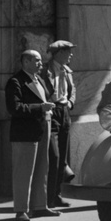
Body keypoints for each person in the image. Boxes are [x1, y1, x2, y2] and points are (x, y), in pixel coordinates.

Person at [5, 50, 59, 221]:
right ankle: (21, 209)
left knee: (42, 168)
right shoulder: (16, 81)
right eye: (36, 60)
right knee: (23, 172)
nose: (40, 63)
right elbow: (15, 108)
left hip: (43, 127)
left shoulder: (40, 79)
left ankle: (40, 206)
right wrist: (40, 107)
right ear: (26, 62)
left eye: (40, 60)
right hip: (25, 132)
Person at [45, 40, 76, 208]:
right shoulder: (46, 70)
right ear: (59, 53)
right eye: (68, 51)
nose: (71, 55)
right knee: (54, 157)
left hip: (65, 111)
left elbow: (73, 89)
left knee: (63, 156)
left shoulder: (67, 70)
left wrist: (70, 103)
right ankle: (48, 197)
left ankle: (56, 195)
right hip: (53, 110)